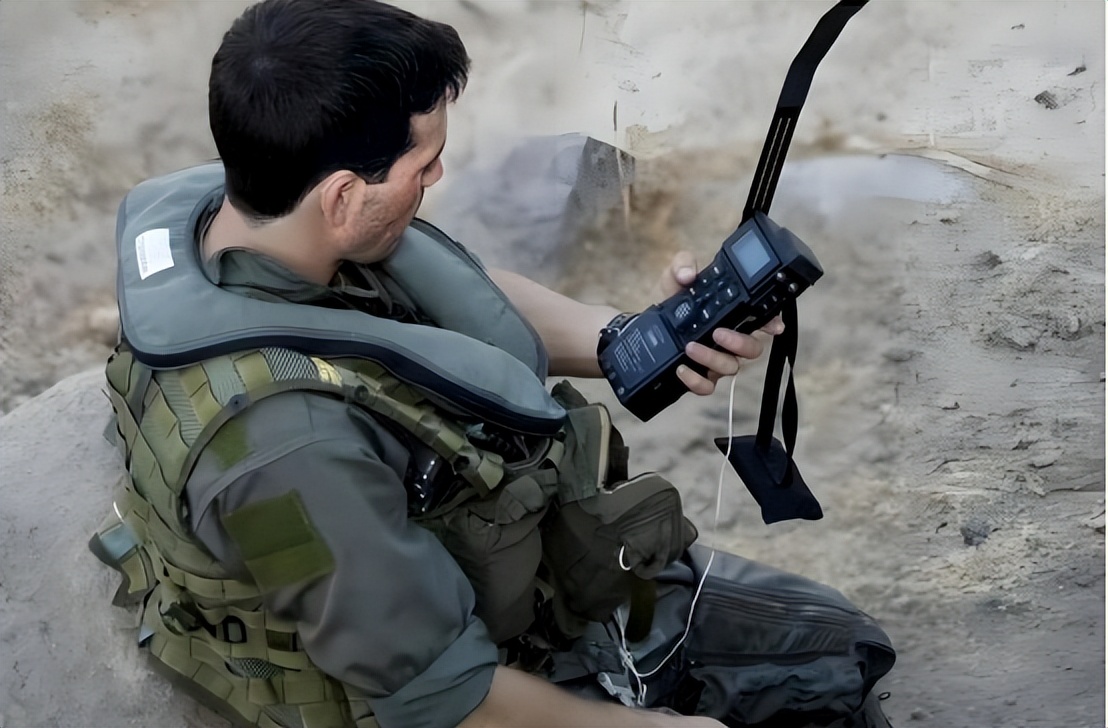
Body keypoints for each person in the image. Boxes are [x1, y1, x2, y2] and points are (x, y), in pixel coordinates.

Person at [90, 2, 895, 727]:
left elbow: (455, 294)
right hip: (501, 663)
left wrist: (630, 336)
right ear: (341, 197)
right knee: (842, 662)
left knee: (830, 641)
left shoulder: (258, 213)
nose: (438, 178)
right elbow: (447, 696)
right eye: (423, 165)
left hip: (533, 555)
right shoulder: (287, 452)